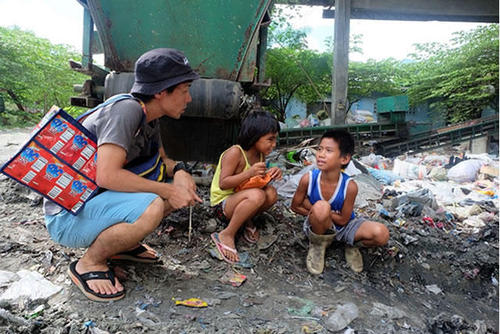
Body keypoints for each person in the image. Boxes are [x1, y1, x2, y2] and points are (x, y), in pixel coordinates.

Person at [43, 48, 202, 302]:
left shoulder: (149, 116)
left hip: (93, 206)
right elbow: (106, 176)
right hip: (67, 218)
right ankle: (89, 264)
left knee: (170, 189)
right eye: (184, 90)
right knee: (153, 204)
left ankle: (123, 245)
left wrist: (181, 173)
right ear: (161, 92)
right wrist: (169, 190)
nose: (189, 99)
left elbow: (164, 160)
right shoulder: (127, 111)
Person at [291, 130, 389, 274]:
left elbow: (343, 220)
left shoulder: (350, 186)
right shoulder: (309, 179)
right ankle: (318, 245)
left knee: (382, 233)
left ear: (344, 159)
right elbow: (295, 206)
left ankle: (352, 245)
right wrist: (317, 215)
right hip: (319, 228)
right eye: (319, 149)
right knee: (321, 207)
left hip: (345, 228)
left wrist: (319, 211)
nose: (321, 154)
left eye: (328, 151)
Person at [210, 110, 282, 264]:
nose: (274, 144)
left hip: (240, 198)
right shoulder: (235, 153)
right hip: (222, 205)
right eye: (270, 139)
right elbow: (224, 184)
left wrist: (271, 174)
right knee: (257, 195)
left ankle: (245, 220)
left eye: (275, 139)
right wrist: (249, 173)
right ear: (255, 136)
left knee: (271, 193)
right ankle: (227, 234)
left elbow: (254, 182)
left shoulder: (261, 154)